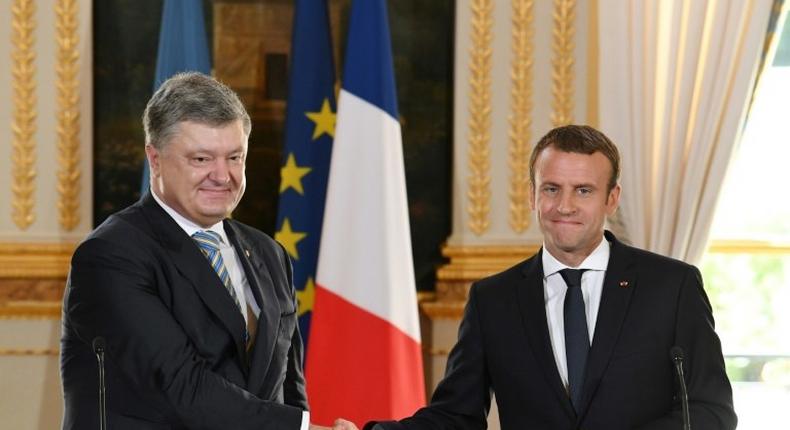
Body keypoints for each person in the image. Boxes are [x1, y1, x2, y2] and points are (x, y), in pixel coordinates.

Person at [361, 125, 736, 430]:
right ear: (532, 195)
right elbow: (456, 416)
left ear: (612, 198)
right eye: (551, 189)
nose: (565, 206)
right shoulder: (493, 300)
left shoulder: (672, 287)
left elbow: (711, 411)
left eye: (583, 191)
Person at [61, 72, 345, 430]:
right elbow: (181, 387)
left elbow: (288, 388)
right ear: (155, 159)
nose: (222, 175)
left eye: (234, 157)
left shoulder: (270, 254)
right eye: (201, 159)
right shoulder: (110, 256)